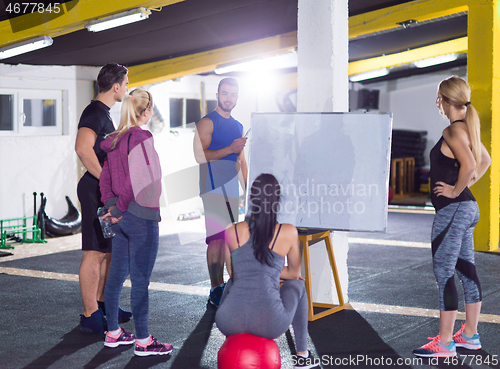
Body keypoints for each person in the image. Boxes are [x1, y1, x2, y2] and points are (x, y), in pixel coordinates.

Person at [413, 76, 491, 358]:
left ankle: (445, 343)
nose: (437, 102)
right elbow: (486, 161)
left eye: (439, 97)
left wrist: (456, 189)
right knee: (466, 270)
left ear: (447, 101)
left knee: (444, 273)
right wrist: (464, 188)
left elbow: (472, 163)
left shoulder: (452, 131)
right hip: (467, 209)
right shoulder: (467, 129)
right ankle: (470, 335)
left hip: (454, 210)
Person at [215, 174, 320, 369]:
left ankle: (230, 344)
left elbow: (233, 273)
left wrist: (260, 271)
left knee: (232, 284)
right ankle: (303, 355)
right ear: (277, 201)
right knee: (299, 283)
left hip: (228, 320)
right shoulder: (288, 231)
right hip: (268, 322)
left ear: (251, 199)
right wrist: (269, 272)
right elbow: (294, 273)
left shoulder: (231, 231)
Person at [99, 88, 173, 356]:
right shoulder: (142, 138)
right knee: (140, 280)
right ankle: (143, 340)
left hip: (120, 220)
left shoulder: (114, 141)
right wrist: (118, 207)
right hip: (140, 218)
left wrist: (111, 207)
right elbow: (137, 180)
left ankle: (114, 333)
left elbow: (105, 180)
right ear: (147, 111)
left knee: (117, 276)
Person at [75, 63, 132, 334]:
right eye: (127, 83)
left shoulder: (106, 115)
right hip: (92, 191)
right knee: (95, 252)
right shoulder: (94, 112)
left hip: (103, 192)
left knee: (109, 252)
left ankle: (104, 304)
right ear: (117, 86)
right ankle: (90, 315)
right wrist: (106, 181)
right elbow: (83, 149)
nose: (128, 88)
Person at [193, 77, 248, 307]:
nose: (229, 98)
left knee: (230, 239)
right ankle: (215, 288)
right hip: (213, 188)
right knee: (216, 241)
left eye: (233, 94)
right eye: (225, 94)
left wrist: (250, 189)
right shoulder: (207, 122)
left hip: (231, 189)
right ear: (217, 95)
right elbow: (199, 156)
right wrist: (229, 148)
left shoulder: (238, 126)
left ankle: (231, 284)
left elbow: (241, 159)